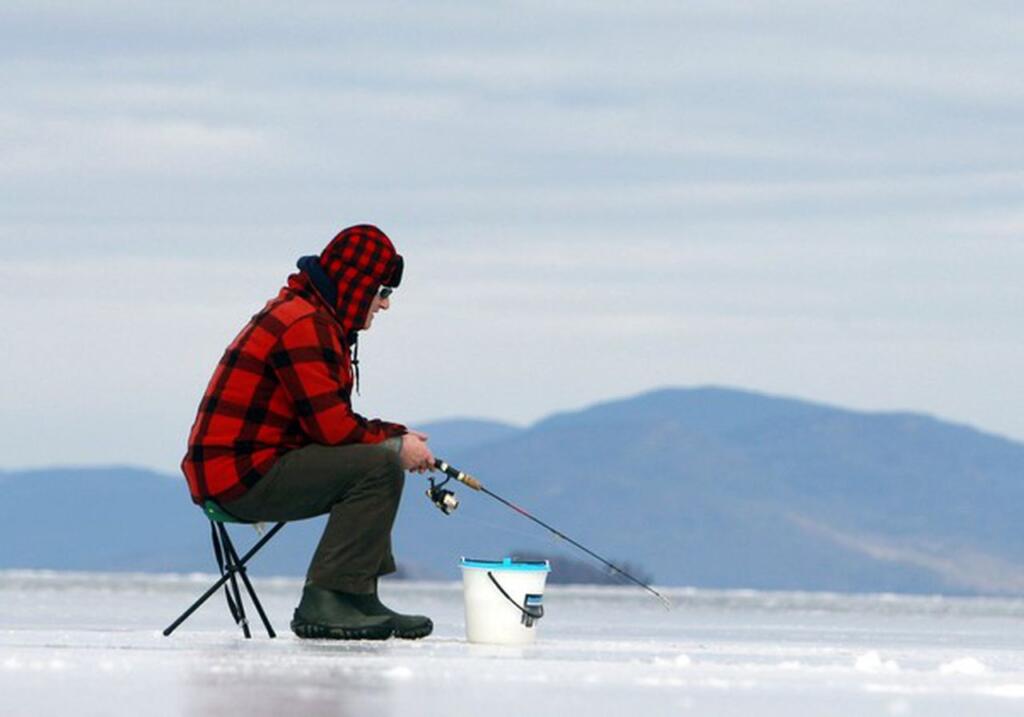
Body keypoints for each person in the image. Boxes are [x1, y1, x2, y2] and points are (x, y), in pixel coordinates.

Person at [181, 224, 436, 640]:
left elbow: (327, 425)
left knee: (382, 455)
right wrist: (398, 442)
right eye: (383, 292)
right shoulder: (303, 324)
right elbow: (333, 429)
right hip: (239, 476)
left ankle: (358, 598)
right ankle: (328, 600)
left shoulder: (312, 317)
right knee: (381, 462)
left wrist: (395, 438)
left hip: (247, 468)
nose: (385, 305)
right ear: (357, 285)